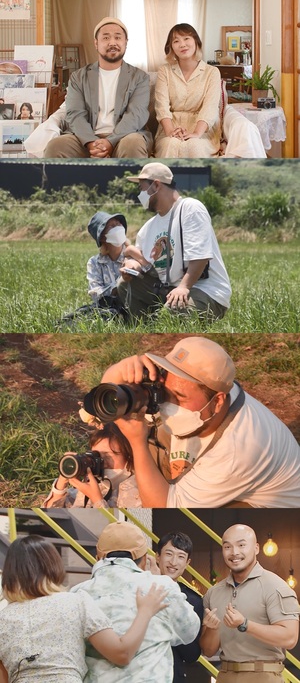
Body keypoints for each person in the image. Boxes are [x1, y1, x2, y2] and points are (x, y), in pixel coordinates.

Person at [97, 335, 300, 508]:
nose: (168, 403)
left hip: (261, 507)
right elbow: (95, 415)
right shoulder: (211, 396)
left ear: (218, 401)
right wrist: (114, 377)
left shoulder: (235, 452)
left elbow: (163, 508)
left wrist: (137, 443)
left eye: (179, 397)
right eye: (164, 391)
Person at [0, 534, 167, 683]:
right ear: (53, 566)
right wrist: (145, 611)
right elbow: (121, 653)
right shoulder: (75, 602)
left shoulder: (3, 619)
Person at [71, 521, 200, 683]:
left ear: (99, 557)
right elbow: (189, 632)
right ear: (145, 559)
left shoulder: (77, 594)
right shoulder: (162, 586)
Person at [117, 163, 231, 319]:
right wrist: (132, 266)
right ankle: (143, 328)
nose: (140, 194)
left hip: (204, 289)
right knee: (124, 284)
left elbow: (201, 256)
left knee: (173, 312)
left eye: (142, 188)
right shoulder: (148, 227)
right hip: (169, 289)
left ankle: (162, 323)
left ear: (156, 185)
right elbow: (143, 260)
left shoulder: (190, 208)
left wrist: (184, 287)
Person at [200, 524, 300, 682]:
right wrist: (212, 630)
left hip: (264, 676)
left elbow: (290, 638)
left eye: (241, 545)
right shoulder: (214, 593)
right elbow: (208, 651)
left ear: (256, 548)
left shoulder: (275, 586)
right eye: (227, 547)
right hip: (225, 675)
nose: (234, 552)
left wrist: (245, 624)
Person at [44, 17, 153, 159]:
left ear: (126, 43)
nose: (112, 42)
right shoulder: (78, 77)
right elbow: (75, 114)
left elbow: (136, 115)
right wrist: (90, 142)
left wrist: (110, 142)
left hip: (124, 137)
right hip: (84, 139)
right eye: (106, 38)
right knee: (56, 146)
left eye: (118, 37)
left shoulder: (139, 78)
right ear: (96, 43)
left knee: (133, 143)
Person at [154, 23, 222, 158]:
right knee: (171, 144)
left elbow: (210, 107)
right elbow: (161, 105)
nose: (182, 44)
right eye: (176, 41)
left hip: (202, 129)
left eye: (186, 39)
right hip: (170, 127)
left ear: (196, 41)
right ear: (171, 47)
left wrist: (197, 133)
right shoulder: (164, 71)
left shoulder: (212, 72)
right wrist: (170, 131)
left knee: (194, 145)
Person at [42, 421, 141, 509]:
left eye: (107, 455)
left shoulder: (137, 492)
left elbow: (119, 528)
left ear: (128, 456)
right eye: (96, 455)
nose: (101, 461)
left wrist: (97, 499)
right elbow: (51, 516)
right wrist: (61, 483)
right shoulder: (94, 484)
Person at [155, 532, 203, 683]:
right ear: (157, 556)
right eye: (168, 554)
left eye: (181, 556)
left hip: (173, 676)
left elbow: (192, 655)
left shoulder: (193, 600)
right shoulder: (140, 588)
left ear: (187, 563)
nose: (173, 562)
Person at [86, 210, 129, 313]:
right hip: (108, 309)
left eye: (118, 224)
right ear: (102, 237)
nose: (118, 228)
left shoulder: (132, 255)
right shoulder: (95, 263)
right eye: (112, 226)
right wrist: (119, 285)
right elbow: (95, 293)